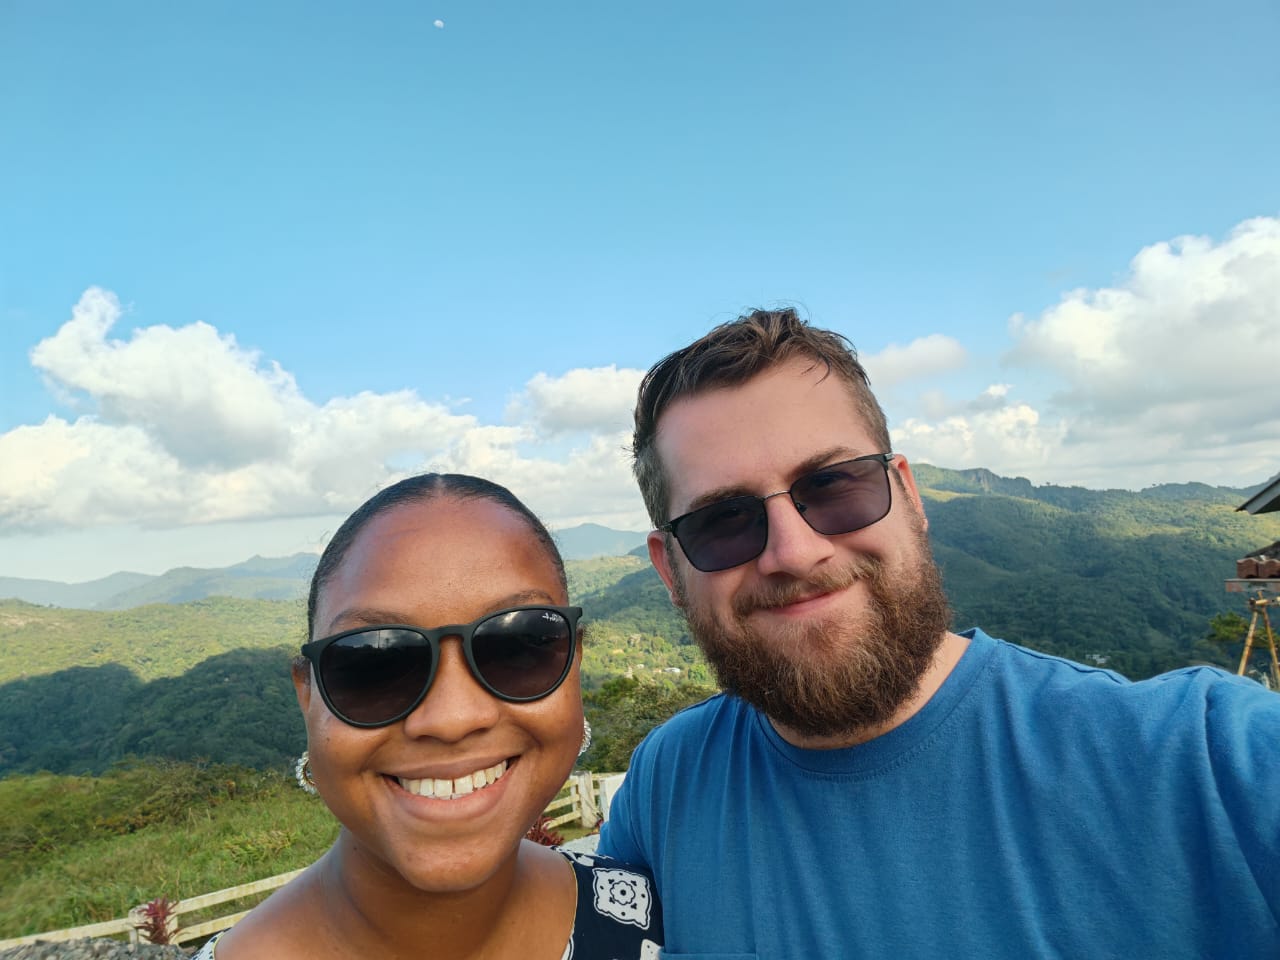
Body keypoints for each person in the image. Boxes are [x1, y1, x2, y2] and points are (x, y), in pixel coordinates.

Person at [597, 308, 1280, 958]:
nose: (795, 552)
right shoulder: (669, 784)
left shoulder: (1208, 764)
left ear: (909, 498)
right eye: (723, 522)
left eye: (835, 486)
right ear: (669, 570)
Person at [195, 474, 661, 959]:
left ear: (574, 669)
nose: (452, 718)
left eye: (519, 646)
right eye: (375, 662)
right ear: (307, 696)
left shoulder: (663, 927)